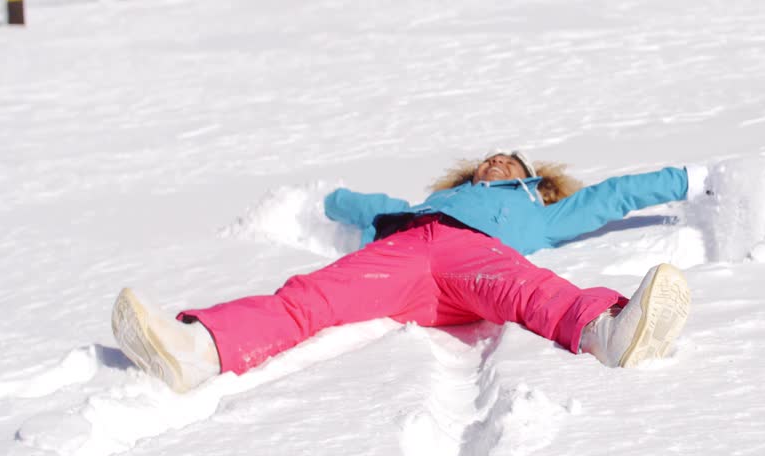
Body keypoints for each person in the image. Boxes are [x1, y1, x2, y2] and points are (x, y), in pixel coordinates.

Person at [112, 150, 709, 393]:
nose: (497, 159)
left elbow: (611, 195)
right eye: (489, 159)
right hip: (402, 255)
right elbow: (366, 208)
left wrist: (688, 180)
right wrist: (328, 199)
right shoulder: (422, 206)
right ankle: (200, 348)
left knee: (532, 291)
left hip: (475, 256)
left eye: (512, 161)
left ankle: (609, 330)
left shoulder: (540, 211)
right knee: (310, 296)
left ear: (532, 180)